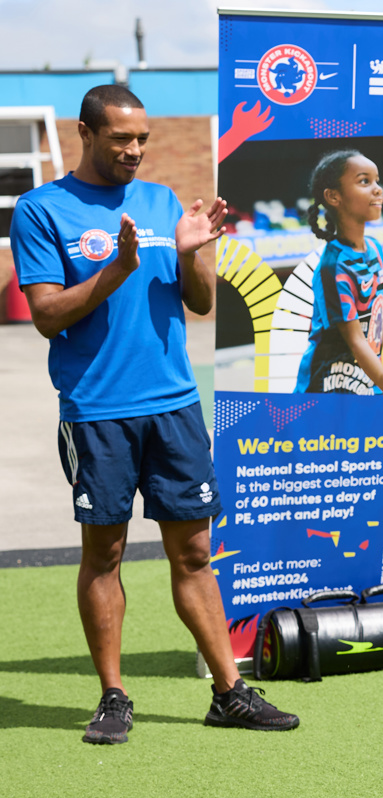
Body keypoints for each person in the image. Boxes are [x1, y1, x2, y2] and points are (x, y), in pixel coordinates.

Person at [10, 85, 298, 744]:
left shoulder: (163, 202)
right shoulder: (41, 210)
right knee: (104, 554)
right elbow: (46, 315)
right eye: (120, 139)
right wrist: (114, 271)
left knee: (194, 551)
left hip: (175, 407)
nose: (134, 151)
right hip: (97, 411)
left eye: (142, 139)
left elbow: (198, 303)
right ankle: (113, 696)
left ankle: (229, 692)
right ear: (85, 133)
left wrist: (198, 251)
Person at [295, 149, 383, 395]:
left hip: (368, 376)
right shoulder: (334, 266)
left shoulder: (374, 248)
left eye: (377, 180)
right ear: (333, 196)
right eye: (364, 181)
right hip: (330, 384)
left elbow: (377, 320)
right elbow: (355, 340)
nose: (377, 189)